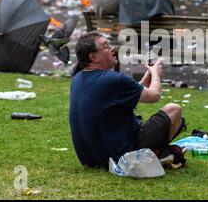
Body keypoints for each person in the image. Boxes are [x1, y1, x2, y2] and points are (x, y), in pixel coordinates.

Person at [69, 32, 185, 169]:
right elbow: (154, 96)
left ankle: (158, 154)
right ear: (93, 57)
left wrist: (147, 77)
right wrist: (155, 73)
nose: (112, 49)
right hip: (121, 156)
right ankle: (157, 155)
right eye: (106, 46)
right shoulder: (114, 79)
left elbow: (124, 96)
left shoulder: (77, 79)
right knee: (174, 110)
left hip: (90, 159)